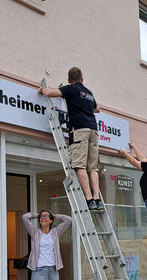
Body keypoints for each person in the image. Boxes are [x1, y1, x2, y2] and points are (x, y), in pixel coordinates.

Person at [39, 67, 103, 211]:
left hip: (79, 130)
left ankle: (89, 199)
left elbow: (49, 92)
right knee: (93, 167)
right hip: (93, 130)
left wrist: (41, 90)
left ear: (69, 80)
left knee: (79, 165)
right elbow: (97, 109)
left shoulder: (71, 89)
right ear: (82, 79)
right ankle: (97, 198)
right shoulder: (88, 93)